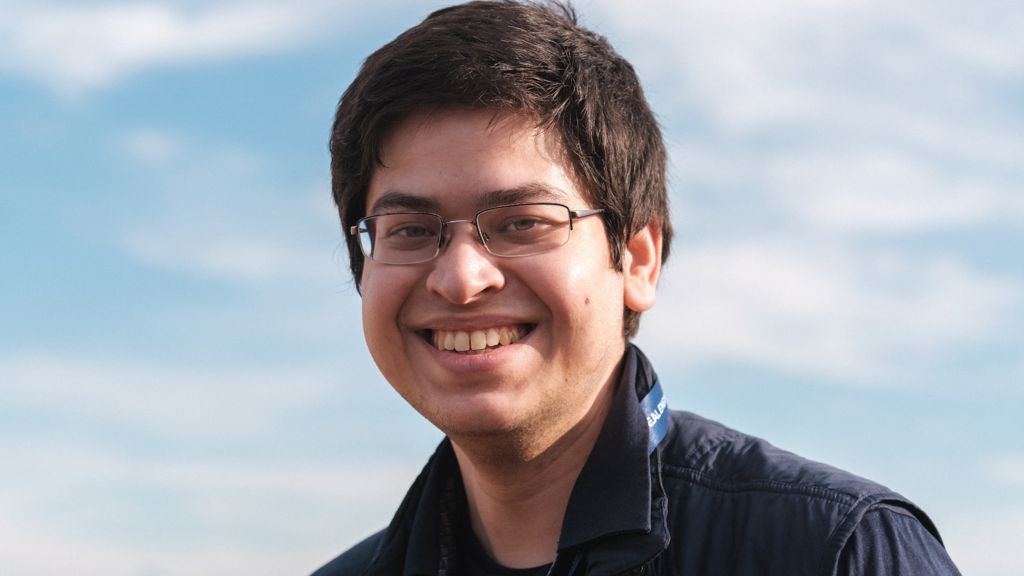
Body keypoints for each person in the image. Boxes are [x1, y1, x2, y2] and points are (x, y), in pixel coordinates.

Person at [314, 1, 961, 575]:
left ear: (640, 261)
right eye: (409, 230)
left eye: (523, 223)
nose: (459, 278)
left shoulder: (835, 550)